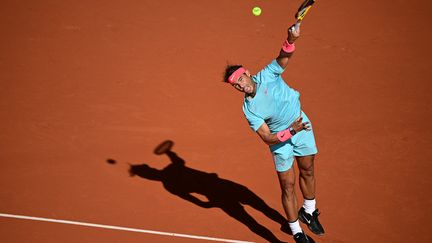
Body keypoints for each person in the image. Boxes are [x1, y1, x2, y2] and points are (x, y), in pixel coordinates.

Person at [223, 22, 324, 243]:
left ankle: (309, 210)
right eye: (236, 86)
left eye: (241, 79)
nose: (241, 86)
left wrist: (291, 39)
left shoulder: (268, 74)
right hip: (282, 139)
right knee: (287, 185)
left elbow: (283, 57)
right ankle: (297, 232)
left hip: (301, 124)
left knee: (307, 169)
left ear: (247, 73)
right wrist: (290, 131)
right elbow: (268, 138)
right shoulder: (248, 109)